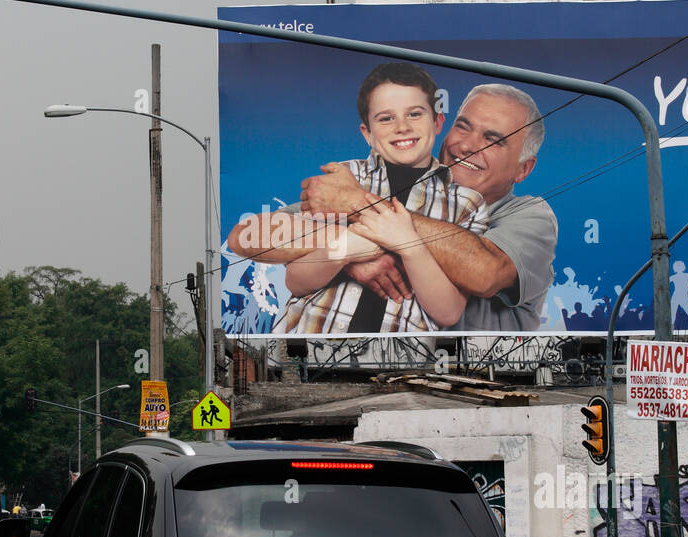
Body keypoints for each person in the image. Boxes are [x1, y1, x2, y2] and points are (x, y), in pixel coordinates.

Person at [227, 62, 489, 335]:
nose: (402, 127)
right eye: (386, 118)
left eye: (414, 114)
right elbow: (295, 282)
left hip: (399, 362)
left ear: (437, 122)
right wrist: (349, 249)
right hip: (309, 345)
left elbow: (448, 312)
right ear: (367, 133)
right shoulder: (340, 178)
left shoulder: (466, 204)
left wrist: (408, 245)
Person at [280, 82, 558, 332]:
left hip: (465, 380)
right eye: (463, 126)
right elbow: (259, 236)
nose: (467, 146)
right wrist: (348, 257)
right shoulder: (396, 188)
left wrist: (357, 205)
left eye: (493, 140)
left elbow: (484, 273)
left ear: (523, 169)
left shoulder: (530, 216)